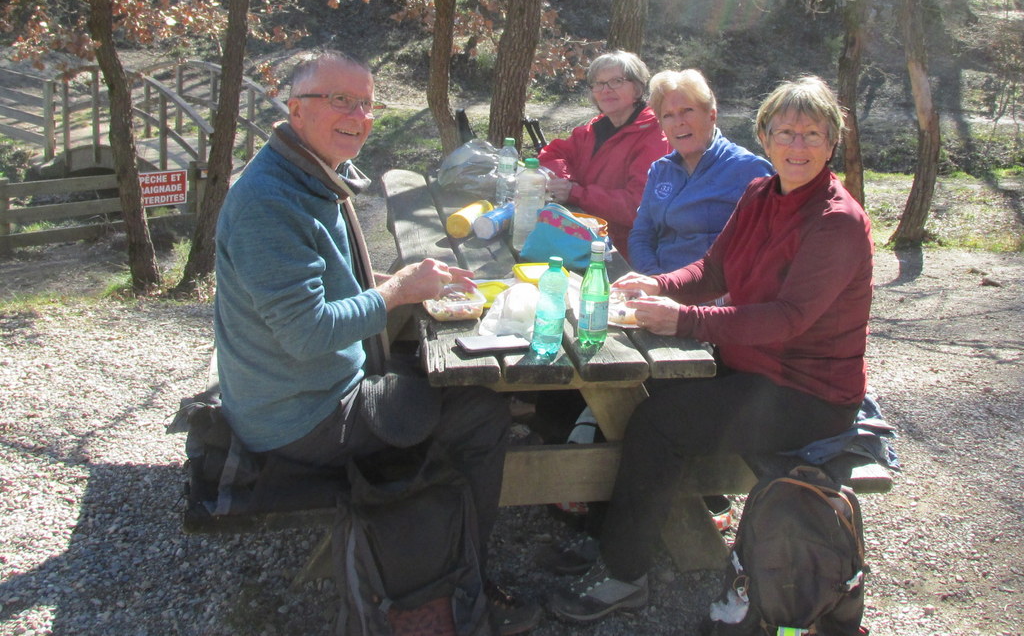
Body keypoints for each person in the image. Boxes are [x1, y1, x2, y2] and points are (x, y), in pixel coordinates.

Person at [214, 49, 539, 635]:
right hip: (300, 416)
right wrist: (394, 296)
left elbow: (323, 284)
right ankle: (464, 577)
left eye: (366, 103)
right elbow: (307, 332)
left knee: (434, 370)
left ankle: (441, 533)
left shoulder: (304, 172)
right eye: (339, 100)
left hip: (307, 391)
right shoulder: (269, 202)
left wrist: (396, 284)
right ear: (294, 108)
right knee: (482, 411)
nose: (358, 115)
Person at [548, 75, 874, 623]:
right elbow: (713, 270)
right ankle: (611, 531)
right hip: (752, 366)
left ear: (831, 143)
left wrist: (685, 321)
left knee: (659, 422)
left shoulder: (835, 222)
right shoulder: (759, 194)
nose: (797, 147)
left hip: (806, 392)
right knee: (631, 386)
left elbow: (789, 320)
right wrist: (659, 285)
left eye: (812, 135)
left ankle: (624, 575)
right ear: (765, 138)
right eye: (786, 133)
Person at [628, 69, 772, 275]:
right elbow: (642, 235)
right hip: (659, 286)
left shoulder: (749, 170)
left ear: (711, 115)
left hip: (714, 296)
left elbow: (764, 250)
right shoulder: (661, 170)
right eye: (668, 115)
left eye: (687, 110)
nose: (678, 122)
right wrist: (654, 279)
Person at [538, 50, 669, 262]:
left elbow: (638, 206)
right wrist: (564, 180)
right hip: (580, 238)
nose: (605, 90)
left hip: (626, 254)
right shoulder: (596, 127)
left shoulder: (654, 135)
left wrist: (575, 193)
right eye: (598, 84)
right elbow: (553, 153)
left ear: (638, 87)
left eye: (616, 81)